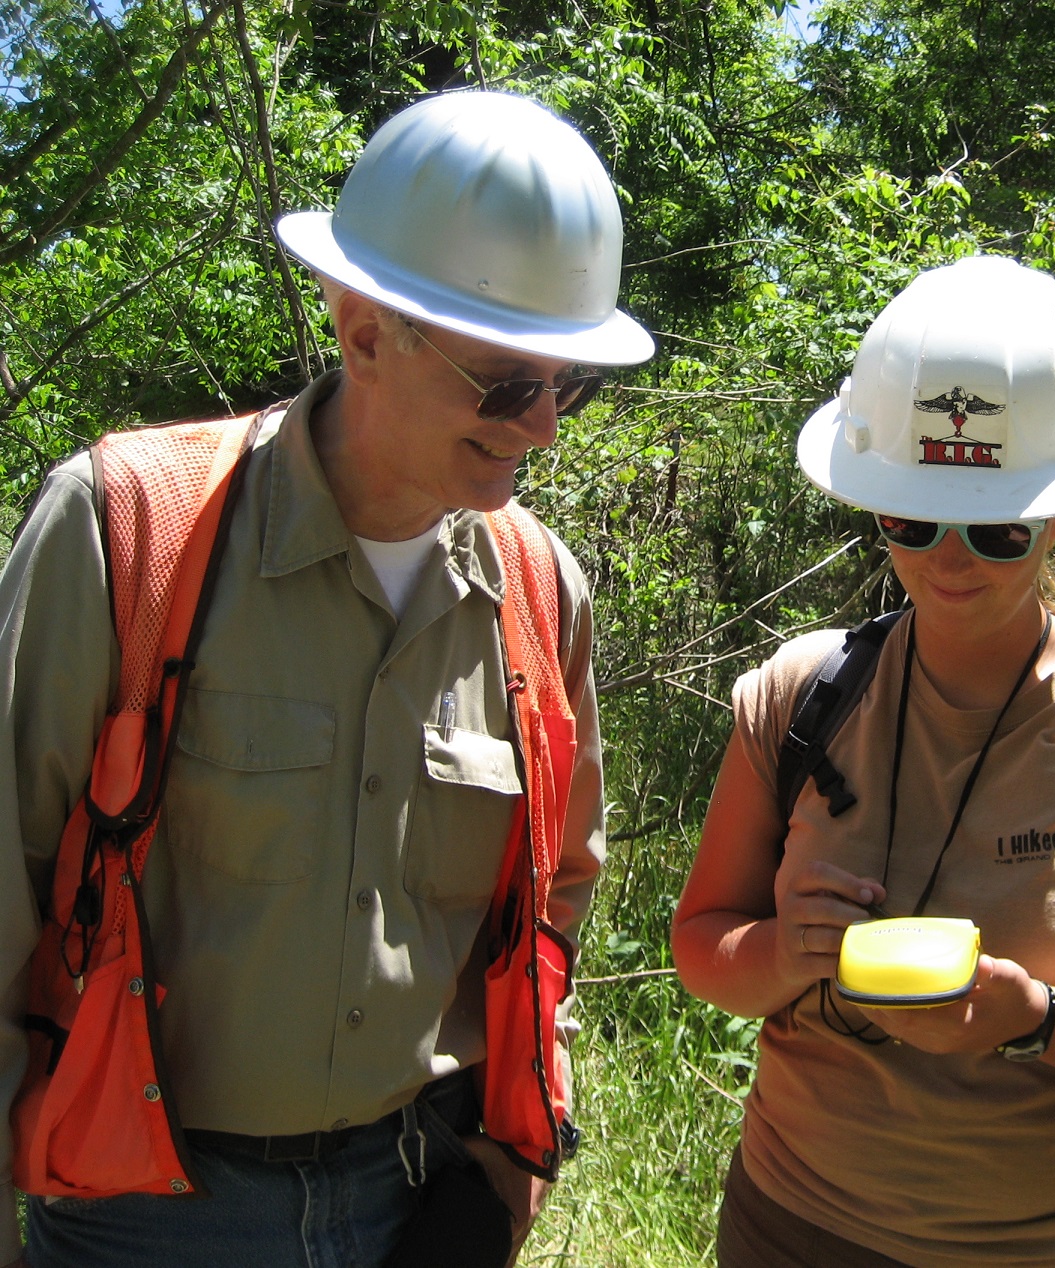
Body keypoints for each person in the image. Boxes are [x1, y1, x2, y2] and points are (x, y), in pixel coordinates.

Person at [0, 90, 653, 1268]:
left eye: (572, 386)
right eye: (508, 383)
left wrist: (508, 1174)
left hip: (425, 1194)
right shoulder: (125, 531)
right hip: (140, 1215)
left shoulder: (540, 593)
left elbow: (552, 898)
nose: (546, 427)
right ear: (362, 330)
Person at [671, 255, 1055, 1268]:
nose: (946, 558)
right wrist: (785, 952)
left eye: (995, 528)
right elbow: (702, 943)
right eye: (910, 517)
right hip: (797, 1226)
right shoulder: (801, 695)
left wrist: (1033, 1019)